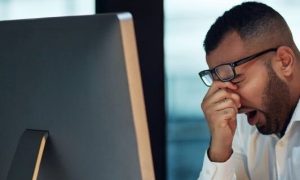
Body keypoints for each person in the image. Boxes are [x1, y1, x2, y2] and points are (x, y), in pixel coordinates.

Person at [197, 1, 300, 179]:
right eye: (220, 86)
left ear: (285, 61)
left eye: (236, 80)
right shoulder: (239, 126)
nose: (231, 101)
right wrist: (219, 153)